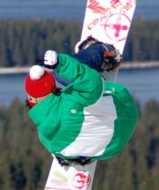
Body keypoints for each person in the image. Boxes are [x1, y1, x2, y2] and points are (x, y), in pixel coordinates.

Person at [24, 39, 138, 167]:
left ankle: (71, 158)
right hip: (124, 109)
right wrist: (60, 63)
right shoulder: (74, 99)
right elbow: (93, 84)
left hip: (111, 148)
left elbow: (56, 148)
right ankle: (105, 52)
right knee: (63, 76)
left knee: (59, 144)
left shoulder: (44, 136)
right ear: (52, 89)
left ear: (30, 99)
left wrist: (67, 157)